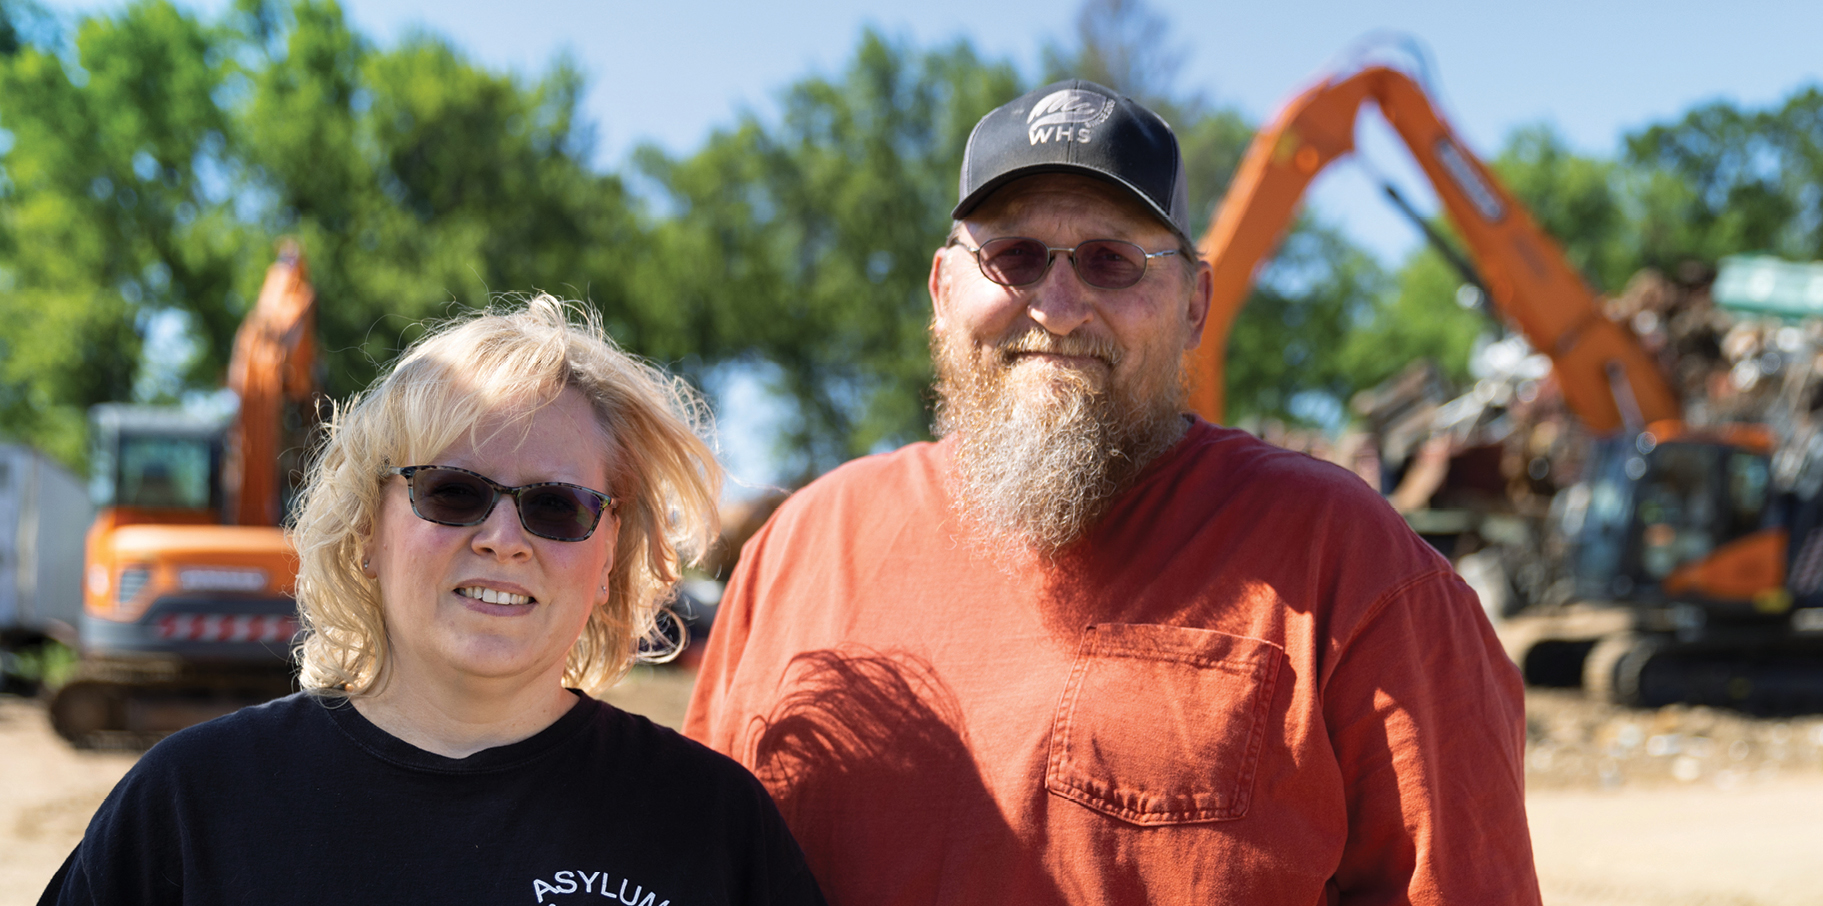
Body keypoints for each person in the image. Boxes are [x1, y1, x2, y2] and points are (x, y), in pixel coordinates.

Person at [684, 80, 1541, 904]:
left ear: (1194, 303)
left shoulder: (1346, 565)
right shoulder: (803, 545)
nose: (1057, 307)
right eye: (1012, 256)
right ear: (943, 289)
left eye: (1112, 261)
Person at [43, 297, 825, 906]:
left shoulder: (711, 824)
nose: (502, 538)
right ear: (365, 531)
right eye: (453, 492)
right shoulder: (193, 802)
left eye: (556, 507)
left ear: (611, 558)